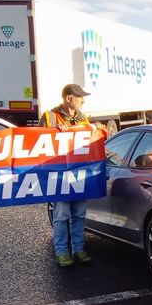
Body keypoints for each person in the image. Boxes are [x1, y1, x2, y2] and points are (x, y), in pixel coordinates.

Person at [42, 84, 101, 267]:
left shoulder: (83, 118)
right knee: (61, 216)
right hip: (59, 176)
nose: (83, 101)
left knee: (79, 215)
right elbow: (38, 142)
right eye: (80, 97)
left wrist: (96, 129)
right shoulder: (50, 117)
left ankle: (78, 250)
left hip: (79, 175)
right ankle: (62, 253)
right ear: (69, 98)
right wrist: (54, 131)